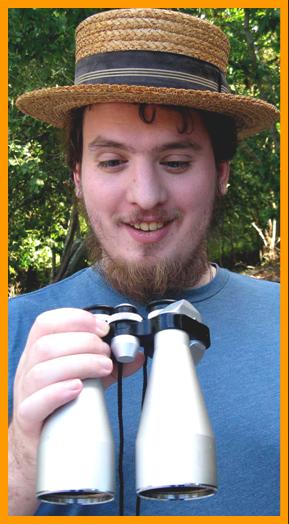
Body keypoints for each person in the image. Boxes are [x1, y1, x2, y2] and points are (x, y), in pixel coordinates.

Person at [9, 8, 280, 517]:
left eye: (176, 161)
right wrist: (23, 456)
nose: (146, 196)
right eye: (112, 161)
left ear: (221, 173)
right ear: (77, 176)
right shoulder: (14, 329)